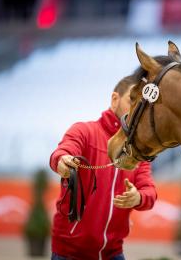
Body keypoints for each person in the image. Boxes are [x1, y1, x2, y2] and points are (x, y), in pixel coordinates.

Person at [49, 74, 157, 260]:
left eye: (140, 103)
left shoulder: (138, 149)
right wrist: (62, 161)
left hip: (113, 253)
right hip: (70, 253)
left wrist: (138, 197)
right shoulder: (84, 130)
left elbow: (150, 192)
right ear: (115, 99)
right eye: (131, 99)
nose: (136, 109)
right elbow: (62, 152)